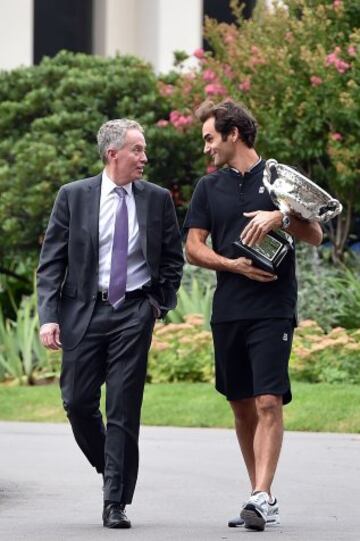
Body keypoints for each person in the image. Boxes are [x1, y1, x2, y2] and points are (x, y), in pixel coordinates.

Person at [37, 118, 184, 529]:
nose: (145, 157)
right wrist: (49, 317)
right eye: (137, 150)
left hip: (134, 313)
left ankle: (114, 500)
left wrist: (157, 305)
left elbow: (173, 259)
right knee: (77, 402)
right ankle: (113, 469)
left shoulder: (156, 199)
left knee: (122, 406)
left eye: (144, 149)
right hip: (83, 311)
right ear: (112, 153)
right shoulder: (73, 197)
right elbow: (51, 264)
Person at [184, 100, 323, 531]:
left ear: (233, 134)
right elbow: (192, 246)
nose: (207, 147)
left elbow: (316, 234)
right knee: (241, 406)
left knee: (268, 399)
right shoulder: (208, 188)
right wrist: (231, 265)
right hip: (228, 310)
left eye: (210, 138)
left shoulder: (279, 180)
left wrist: (280, 216)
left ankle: (262, 494)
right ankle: (258, 498)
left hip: (273, 308)